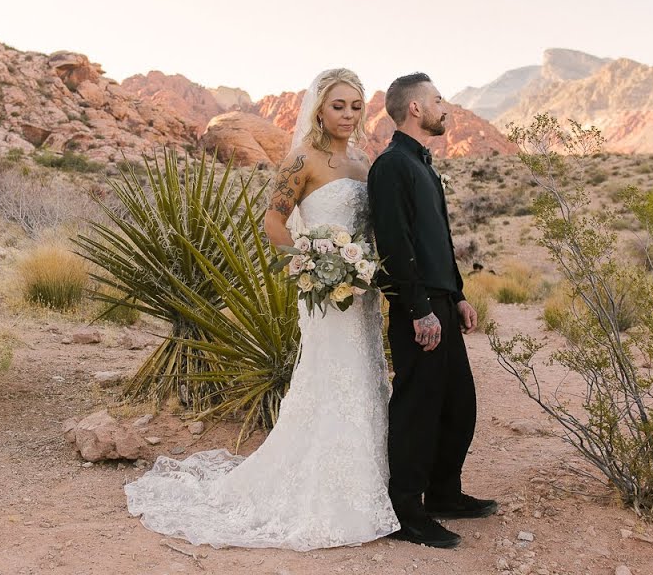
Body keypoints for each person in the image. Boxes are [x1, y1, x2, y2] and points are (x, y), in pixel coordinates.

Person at [123, 68, 399, 550]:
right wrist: (312, 262)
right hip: (322, 291)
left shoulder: (361, 164)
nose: (348, 115)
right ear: (319, 109)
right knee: (329, 376)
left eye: (356, 107)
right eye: (339, 105)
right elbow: (273, 221)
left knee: (364, 378)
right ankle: (325, 493)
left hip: (360, 297)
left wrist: (362, 271)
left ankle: (368, 484)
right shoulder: (301, 160)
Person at [366, 72, 498, 549]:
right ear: (415, 109)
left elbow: (438, 240)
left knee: (458, 405)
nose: (447, 107)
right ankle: (407, 513)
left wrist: (458, 294)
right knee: (417, 409)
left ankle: (444, 494)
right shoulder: (392, 166)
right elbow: (396, 243)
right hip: (417, 306)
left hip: (442, 301)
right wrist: (420, 308)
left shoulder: (421, 162)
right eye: (438, 99)